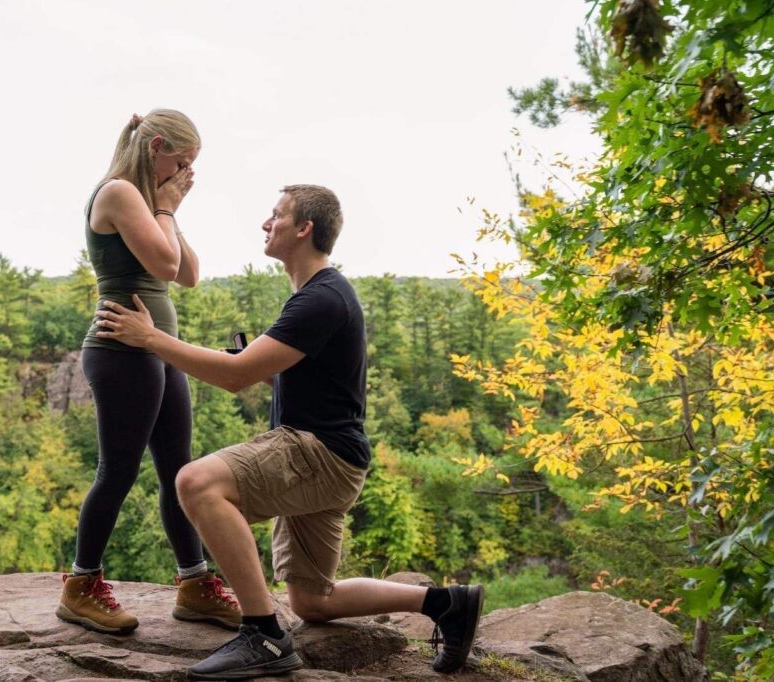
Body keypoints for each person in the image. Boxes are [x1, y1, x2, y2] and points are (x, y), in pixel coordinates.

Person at [95, 184, 484, 679]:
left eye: (276, 215)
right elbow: (254, 366)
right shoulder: (316, 295)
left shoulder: (320, 299)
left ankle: (264, 636)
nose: (265, 223)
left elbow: (236, 378)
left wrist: (151, 338)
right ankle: (447, 603)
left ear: (304, 229)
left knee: (196, 482)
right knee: (313, 600)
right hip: (336, 462)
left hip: (315, 453)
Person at [56, 109, 242, 636]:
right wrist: (164, 205)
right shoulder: (117, 192)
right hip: (122, 351)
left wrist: (169, 209)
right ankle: (81, 585)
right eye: (181, 162)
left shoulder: (150, 202)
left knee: (177, 470)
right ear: (156, 146)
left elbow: (189, 274)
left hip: (158, 348)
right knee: (117, 471)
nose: (185, 174)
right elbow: (162, 267)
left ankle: (195, 585)